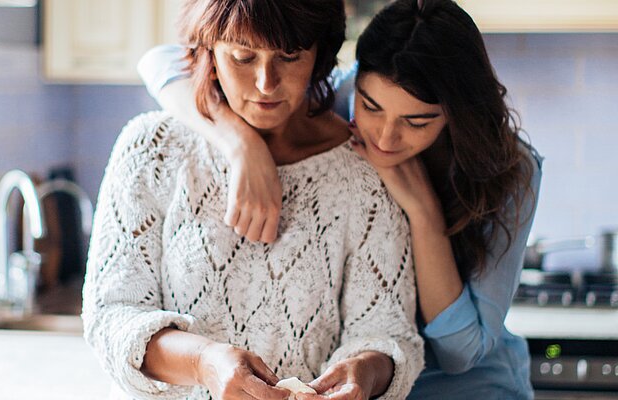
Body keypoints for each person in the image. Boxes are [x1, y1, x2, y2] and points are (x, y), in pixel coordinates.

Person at [137, 0, 542, 399]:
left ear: (456, 113)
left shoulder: (510, 168)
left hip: (467, 388)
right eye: (371, 107)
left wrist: (423, 212)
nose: (384, 138)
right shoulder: (337, 99)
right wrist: (239, 143)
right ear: (355, 82)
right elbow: (162, 62)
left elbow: (462, 353)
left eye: (417, 122)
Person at [83, 0, 425, 399]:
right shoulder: (151, 150)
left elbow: (390, 332)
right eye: (243, 57)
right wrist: (203, 363)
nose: (266, 82)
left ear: (320, 54)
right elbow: (111, 317)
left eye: (290, 57)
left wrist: (364, 372)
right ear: (209, 51)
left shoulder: (365, 170)